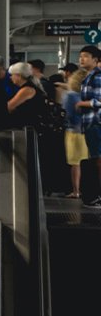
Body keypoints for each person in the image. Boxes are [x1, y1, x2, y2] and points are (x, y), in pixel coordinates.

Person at [74, 45, 101, 207]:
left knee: (98, 159)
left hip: (95, 122)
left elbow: (99, 100)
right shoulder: (89, 76)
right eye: (81, 56)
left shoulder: (97, 77)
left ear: (95, 59)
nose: (81, 59)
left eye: (85, 56)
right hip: (90, 123)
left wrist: (82, 103)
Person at [63, 67, 87, 199]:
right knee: (89, 162)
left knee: (75, 163)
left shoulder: (70, 95)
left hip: (73, 131)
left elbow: (66, 114)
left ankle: (76, 190)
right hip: (89, 130)